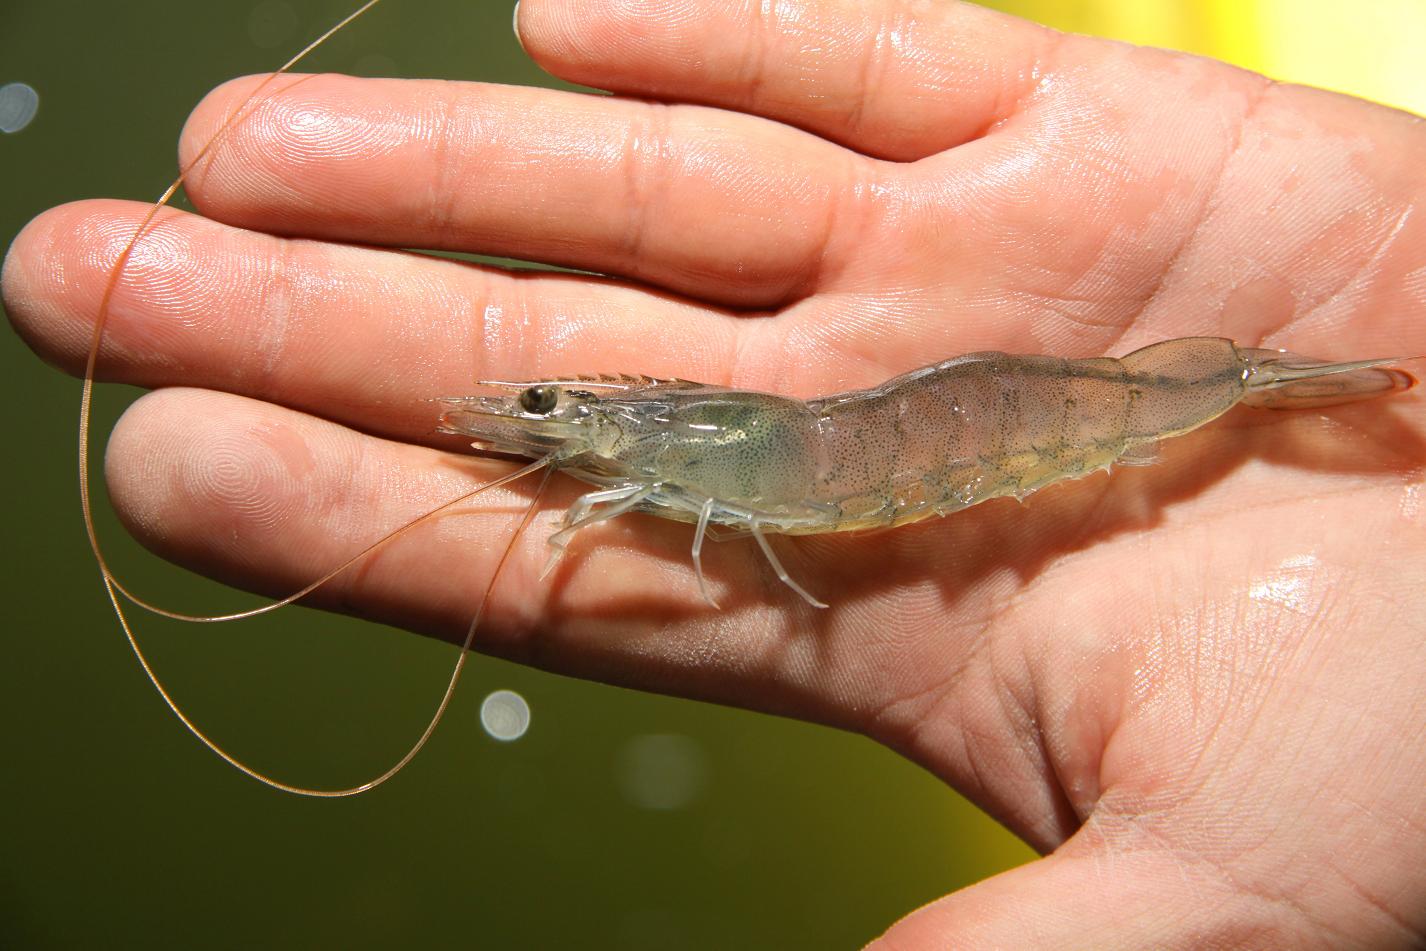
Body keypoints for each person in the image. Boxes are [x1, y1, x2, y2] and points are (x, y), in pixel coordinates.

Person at [4, 0, 1423, 945]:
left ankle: (1251, 386)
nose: (549, 423)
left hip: (984, 433)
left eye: (564, 410)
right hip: (899, 436)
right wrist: (586, 421)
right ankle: (1246, 383)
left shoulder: (722, 484)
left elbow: (728, 486)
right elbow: (680, 446)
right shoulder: (681, 443)